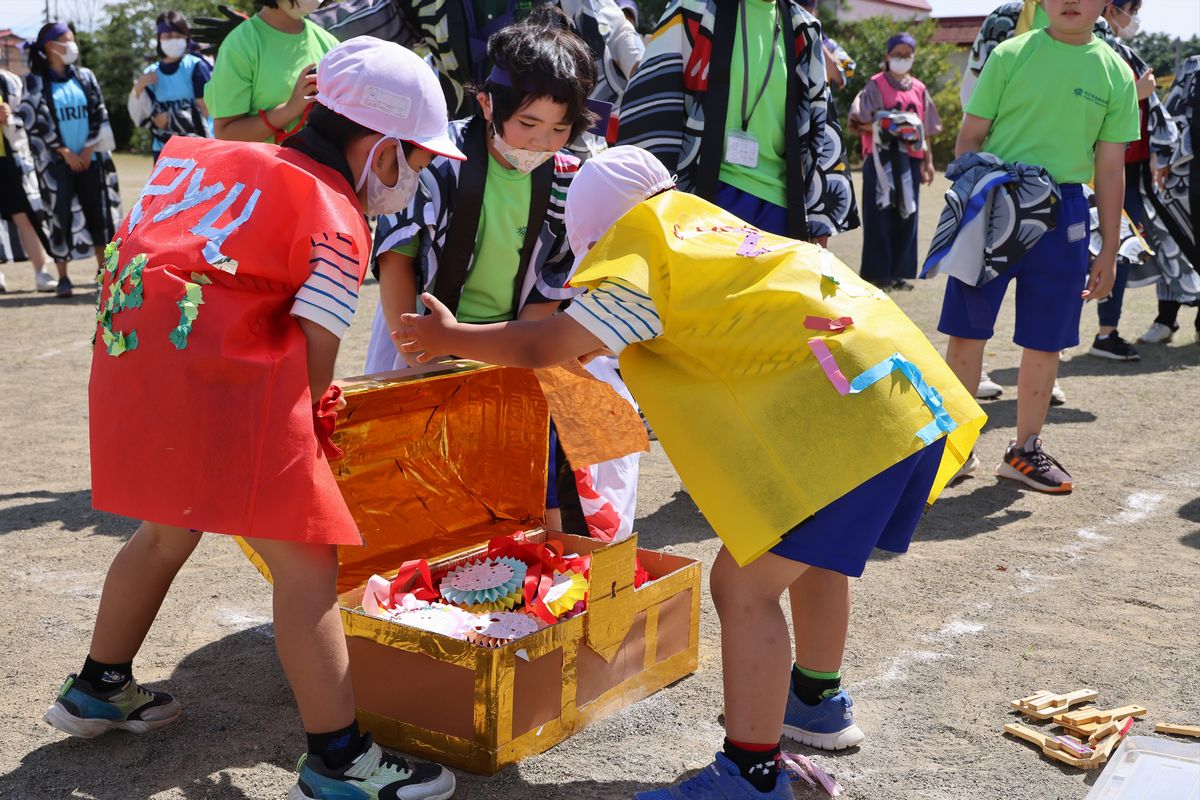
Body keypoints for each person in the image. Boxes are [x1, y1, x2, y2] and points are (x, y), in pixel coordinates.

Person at [393, 145, 984, 798]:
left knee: (741, 585)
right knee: (814, 560)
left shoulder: (645, 261)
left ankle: (751, 777)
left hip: (857, 422)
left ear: (596, 234)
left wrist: (451, 337)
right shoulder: (710, 231)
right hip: (904, 399)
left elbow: (542, 345)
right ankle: (816, 703)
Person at [41, 37, 462, 800]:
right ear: (381, 146)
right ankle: (339, 759)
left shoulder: (210, 157)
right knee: (308, 567)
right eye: (420, 160)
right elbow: (313, 358)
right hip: (229, 394)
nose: (419, 177)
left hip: (135, 372)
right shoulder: (336, 211)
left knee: (168, 526)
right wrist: (309, 439)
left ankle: (100, 686)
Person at [941, 0, 1138, 493]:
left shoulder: (1116, 72)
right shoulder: (1009, 54)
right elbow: (969, 139)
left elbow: (1111, 169)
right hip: (995, 202)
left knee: (1046, 339)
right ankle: (954, 449)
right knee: (967, 332)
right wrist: (978, 202)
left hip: (1067, 211)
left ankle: (1024, 451)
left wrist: (1109, 249)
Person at [195, 0, 643, 155]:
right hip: (469, 134)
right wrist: (269, 26)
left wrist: (624, 31)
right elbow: (356, 23)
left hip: (559, 138)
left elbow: (606, 21)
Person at [615, 0, 858, 245]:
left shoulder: (804, 29)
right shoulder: (693, 10)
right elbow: (652, 103)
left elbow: (821, 127)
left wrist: (819, 223)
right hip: (702, 198)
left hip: (779, 209)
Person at [19, 22, 121, 298]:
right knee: (59, 217)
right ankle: (63, 277)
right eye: (67, 40)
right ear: (51, 47)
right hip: (56, 165)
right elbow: (34, 122)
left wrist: (88, 149)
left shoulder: (85, 77)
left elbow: (99, 112)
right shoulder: (35, 81)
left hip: (91, 159)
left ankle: (103, 272)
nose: (72, 46)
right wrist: (64, 151)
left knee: (98, 216)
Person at [848, 32, 940, 291]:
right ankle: (878, 274)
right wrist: (895, 125)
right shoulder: (876, 84)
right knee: (879, 214)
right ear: (887, 56)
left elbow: (926, 130)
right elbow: (860, 120)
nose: (902, 59)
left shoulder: (919, 88)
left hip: (909, 161)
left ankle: (900, 272)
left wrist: (928, 161)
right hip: (881, 159)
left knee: (907, 215)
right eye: (897, 54)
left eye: (907, 55)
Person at [203, 0, 339, 143]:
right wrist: (289, 110)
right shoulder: (239, 45)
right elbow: (225, 134)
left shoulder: (330, 44)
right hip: (259, 164)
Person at [1137, 53, 1199, 344]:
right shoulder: (1194, 66)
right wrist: (1162, 157)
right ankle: (1166, 318)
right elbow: (1171, 115)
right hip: (1187, 176)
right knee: (1173, 243)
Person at [127, 11, 213, 161]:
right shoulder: (149, 74)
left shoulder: (195, 66)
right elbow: (140, 116)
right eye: (168, 36)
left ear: (186, 38)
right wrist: (139, 87)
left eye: (178, 36)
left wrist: (172, 117)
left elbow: (208, 109)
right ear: (159, 39)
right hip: (163, 150)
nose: (173, 40)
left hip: (198, 147)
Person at [0, 67, 54, 293]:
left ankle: (41, 272)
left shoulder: (9, 81)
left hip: (7, 159)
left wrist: (9, 118)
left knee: (24, 217)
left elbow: (26, 117)